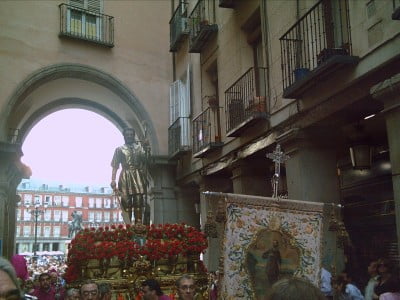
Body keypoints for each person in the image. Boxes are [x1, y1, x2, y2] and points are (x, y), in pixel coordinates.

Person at [111, 127, 149, 225]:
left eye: (131, 135)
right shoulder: (119, 149)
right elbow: (115, 165)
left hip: (137, 175)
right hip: (125, 176)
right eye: (127, 135)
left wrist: (146, 148)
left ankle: (138, 227)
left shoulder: (139, 148)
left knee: (138, 203)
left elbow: (146, 161)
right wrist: (113, 179)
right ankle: (128, 227)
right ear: (124, 136)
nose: (129, 136)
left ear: (133, 136)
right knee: (126, 204)